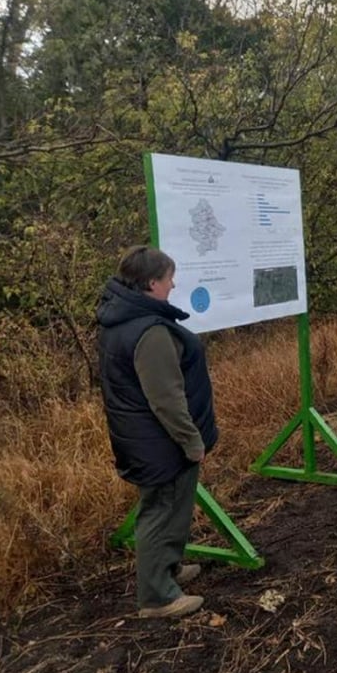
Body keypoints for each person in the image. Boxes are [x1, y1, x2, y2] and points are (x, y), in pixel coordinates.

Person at [97, 246, 218, 618]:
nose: (173, 283)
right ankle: (157, 597)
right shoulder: (149, 332)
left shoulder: (120, 320)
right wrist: (191, 440)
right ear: (152, 283)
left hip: (143, 437)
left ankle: (168, 568)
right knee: (161, 510)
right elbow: (166, 398)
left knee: (171, 507)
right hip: (159, 441)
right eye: (168, 278)